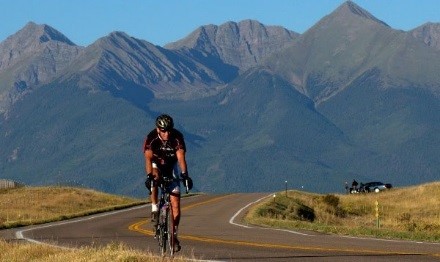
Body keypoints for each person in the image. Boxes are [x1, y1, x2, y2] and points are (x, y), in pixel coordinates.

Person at [143, 114, 193, 252]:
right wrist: (149, 176)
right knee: (155, 177)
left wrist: (185, 176)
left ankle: (174, 236)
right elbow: (148, 158)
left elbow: (181, 157)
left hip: (171, 166)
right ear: (158, 129)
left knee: (176, 206)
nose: (167, 133)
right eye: (163, 130)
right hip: (156, 164)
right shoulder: (151, 138)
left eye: (169, 130)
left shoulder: (177, 137)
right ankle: (154, 209)